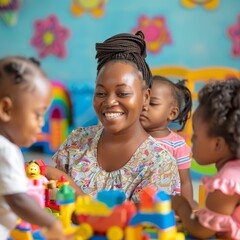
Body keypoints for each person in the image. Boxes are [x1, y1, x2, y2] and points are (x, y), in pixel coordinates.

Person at [46, 31, 180, 203]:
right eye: (101, 92)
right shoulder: (77, 142)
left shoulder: (159, 164)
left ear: (145, 98)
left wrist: (78, 197)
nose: (109, 101)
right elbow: (50, 196)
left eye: (122, 93)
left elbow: (141, 225)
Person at [0, 56, 64, 240]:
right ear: (6, 110)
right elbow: (18, 199)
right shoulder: (6, 150)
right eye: (37, 114)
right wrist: (50, 222)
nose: (41, 123)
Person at [171, 78, 240, 239]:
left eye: (196, 134)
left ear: (217, 144)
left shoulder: (228, 182)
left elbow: (202, 231)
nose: (192, 140)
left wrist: (182, 205)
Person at [140, 75, 195, 207]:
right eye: (140, 101)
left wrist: (187, 207)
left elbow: (185, 182)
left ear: (172, 113)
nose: (144, 107)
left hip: (166, 207)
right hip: (137, 205)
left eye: (152, 103)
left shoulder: (177, 145)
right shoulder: (131, 137)